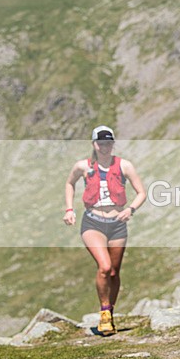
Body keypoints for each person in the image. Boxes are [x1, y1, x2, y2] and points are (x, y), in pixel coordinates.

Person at [63, 126, 146, 336]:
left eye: (108, 143)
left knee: (114, 272)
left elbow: (141, 193)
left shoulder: (124, 166)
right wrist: (69, 209)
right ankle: (104, 313)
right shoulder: (83, 166)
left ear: (113, 144)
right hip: (93, 223)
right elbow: (70, 183)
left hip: (117, 224)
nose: (105, 147)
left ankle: (110, 312)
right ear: (94, 144)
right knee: (105, 267)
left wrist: (130, 209)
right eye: (101, 143)